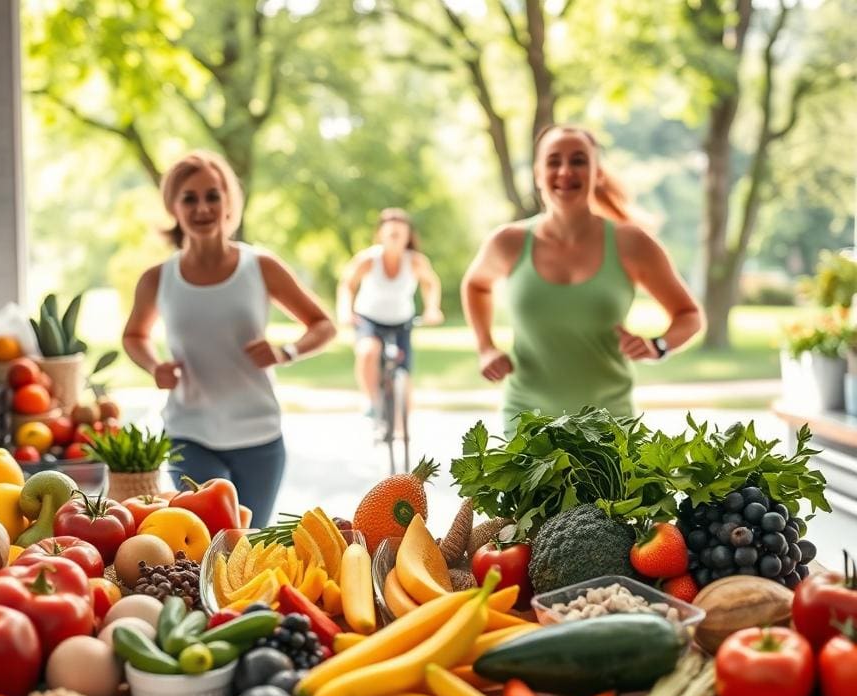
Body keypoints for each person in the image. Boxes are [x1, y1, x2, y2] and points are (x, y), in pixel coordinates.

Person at [122, 150, 336, 528]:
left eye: (212, 195)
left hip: (259, 435)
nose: (202, 207)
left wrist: (286, 351)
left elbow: (323, 324)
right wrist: (155, 367)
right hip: (190, 433)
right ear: (173, 205)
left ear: (227, 202)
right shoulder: (158, 279)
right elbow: (135, 335)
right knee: (212, 541)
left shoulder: (260, 267)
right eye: (190, 198)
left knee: (249, 545)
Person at [461, 124, 704, 432]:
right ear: (537, 174)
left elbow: (689, 315)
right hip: (526, 427)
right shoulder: (508, 242)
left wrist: (659, 345)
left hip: (610, 429)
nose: (565, 171)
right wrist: (486, 347)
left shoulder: (631, 243)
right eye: (553, 161)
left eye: (578, 160)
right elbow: (476, 285)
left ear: (597, 172)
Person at [337, 208, 445, 416]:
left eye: (400, 234)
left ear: (408, 237)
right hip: (369, 319)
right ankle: (371, 400)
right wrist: (344, 310)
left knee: (404, 374)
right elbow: (347, 285)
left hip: (401, 321)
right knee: (368, 351)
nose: (396, 239)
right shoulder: (368, 259)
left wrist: (432, 308)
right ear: (381, 235)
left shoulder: (415, 261)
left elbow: (430, 284)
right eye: (391, 234)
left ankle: (402, 432)